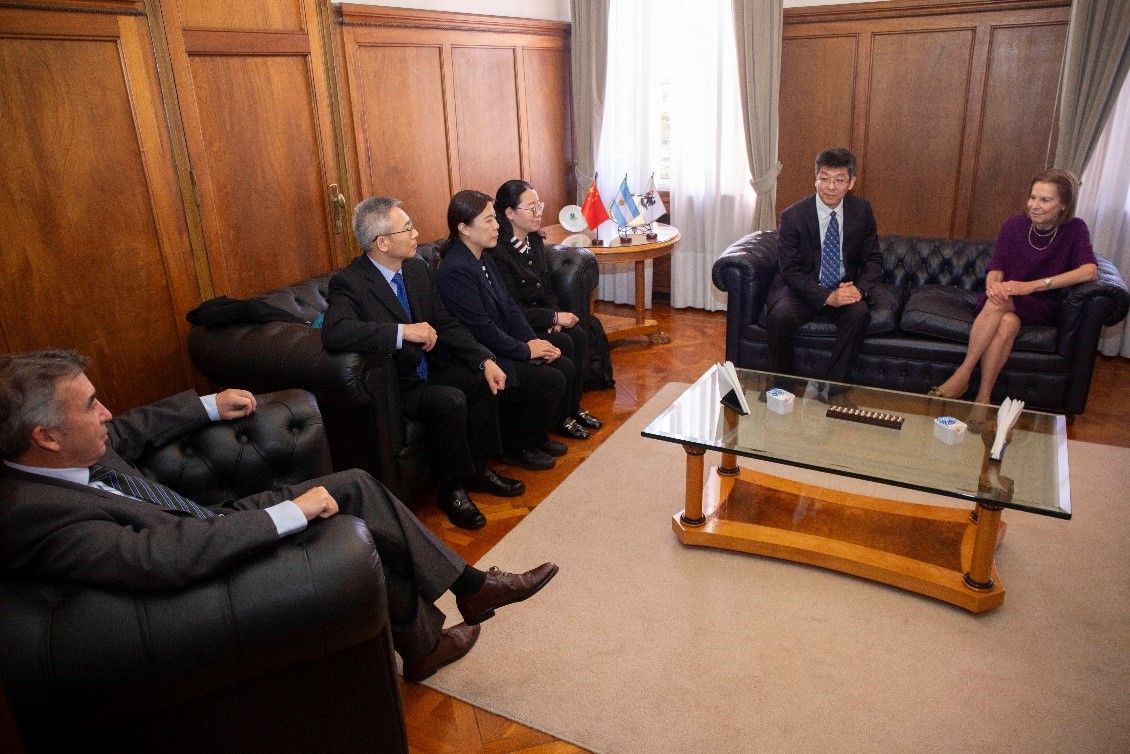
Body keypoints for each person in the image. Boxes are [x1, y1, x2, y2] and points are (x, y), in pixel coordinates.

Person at [0, 349, 558, 683]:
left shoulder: (68, 449)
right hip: (203, 571)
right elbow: (161, 559)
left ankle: (464, 595)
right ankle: (441, 625)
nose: (106, 413)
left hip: (205, 519)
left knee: (355, 487)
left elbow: (130, 429)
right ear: (45, 437)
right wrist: (291, 512)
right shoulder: (35, 514)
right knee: (341, 521)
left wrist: (205, 405)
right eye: (91, 406)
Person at [322, 196, 523, 531]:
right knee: (449, 400)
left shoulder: (416, 269)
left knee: (480, 380)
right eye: (408, 228)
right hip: (398, 383)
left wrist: (483, 358)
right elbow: (336, 332)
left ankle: (478, 469)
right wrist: (402, 332)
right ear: (382, 242)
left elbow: (445, 323)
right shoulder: (351, 282)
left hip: (434, 367)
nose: (417, 233)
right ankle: (452, 489)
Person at [928, 169, 1098, 404]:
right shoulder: (1014, 225)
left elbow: (1089, 271)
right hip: (1004, 298)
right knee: (1007, 321)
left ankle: (963, 373)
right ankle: (983, 399)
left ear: (1063, 205)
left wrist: (1029, 286)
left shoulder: (1076, 229)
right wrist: (993, 287)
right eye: (1032, 197)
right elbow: (996, 268)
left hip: (1040, 303)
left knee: (1000, 301)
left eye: (1045, 200)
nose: (1034, 205)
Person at [434, 190, 569, 471]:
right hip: (480, 355)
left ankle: (536, 436)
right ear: (464, 229)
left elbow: (508, 307)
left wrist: (533, 340)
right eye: (488, 221)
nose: (497, 227)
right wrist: (523, 350)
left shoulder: (484, 257)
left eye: (495, 219)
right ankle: (516, 446)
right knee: (551, 380)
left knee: (563, 364)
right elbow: (480, 328)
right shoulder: (456, 269)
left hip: (501, 344)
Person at [491, 179, 602, 437]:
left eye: (539, 205)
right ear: (509, 213)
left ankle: (572, 408)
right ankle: (558, 417)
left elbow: (548, 288)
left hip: (540, 318)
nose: (539, 212)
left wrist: (554, 316)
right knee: (566, 341)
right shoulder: (498, 252)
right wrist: (550, 317)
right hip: (519, 325)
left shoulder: (534, 241)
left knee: (579, 335)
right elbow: (511, 306)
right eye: (531, 208)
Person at [767, 147, 883, 384]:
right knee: (780, 316)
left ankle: (833, 389)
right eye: (824, 179)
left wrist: (858, 290)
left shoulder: (861, 211)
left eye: (839, 180)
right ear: (815, 180)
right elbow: (789, 270)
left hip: (843, 287)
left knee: (859, 314)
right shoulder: (793, 216)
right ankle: (782, 386)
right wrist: (827, 296)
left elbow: (873, 260)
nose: (831, 187)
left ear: (851, 182)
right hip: (804, 289)